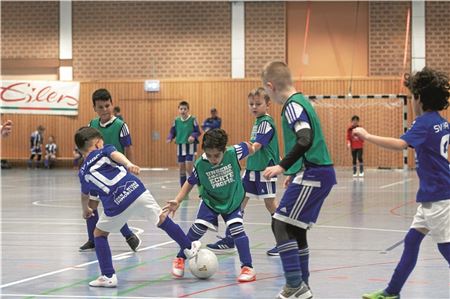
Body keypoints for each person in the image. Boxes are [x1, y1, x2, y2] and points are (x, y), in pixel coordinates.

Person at [356, 67, 450, 299]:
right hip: (432, 197)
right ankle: (391, 292)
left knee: (446, 249)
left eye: (411, 97)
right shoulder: (441, 121)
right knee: (411, 241)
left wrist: (367, 136)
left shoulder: (424, 122)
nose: (411, 102)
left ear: (419, 98)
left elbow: (400, 145)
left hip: (439, 199)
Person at [74, 127, 201, 288]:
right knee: (161, 219)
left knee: (99, 234)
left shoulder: (83, 172)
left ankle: (108, 276)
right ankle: (189, 248)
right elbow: (115, 155)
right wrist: (129, 164)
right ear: (99, 143)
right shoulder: (104, 150)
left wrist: (85, 210)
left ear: (80, 149)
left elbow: (85, 195)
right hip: (135, 190)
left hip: (115, 204)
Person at [261, 61, 337, 299]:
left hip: (314, 173)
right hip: (314, 171)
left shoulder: (292, 106)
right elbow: (306, 143)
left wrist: (282, 166)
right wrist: (294, 171)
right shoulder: (302, 101)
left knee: (280, 224)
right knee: (295, 228)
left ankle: (295, 285)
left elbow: (304, 139)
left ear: (271, 86)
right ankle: (302, 286)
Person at [164, 129, 257, 283]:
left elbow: (250, 147)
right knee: (197, 229)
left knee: (237, 230)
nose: (213, 159)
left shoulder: (234, 152)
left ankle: (247, 267)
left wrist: (254, 149)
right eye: (209, 155)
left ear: (224, 150)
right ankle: (180, 257)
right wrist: (178, 200)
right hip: (211, 201)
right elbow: (190, 182)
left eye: (217, 156)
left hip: (232, 199)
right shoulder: (200, 164)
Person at [207, 87, 280, 256]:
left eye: (258, 103)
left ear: (268, 104)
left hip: (264, 171)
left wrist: (235, 152)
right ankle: (230, 240)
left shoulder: (266, 124)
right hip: (251, 170)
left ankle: (283, 243)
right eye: (251, 104)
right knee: (238, 203)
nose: (254, 107)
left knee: (271, 205)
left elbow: (256, 146)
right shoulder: (257, 122)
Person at [79, 88, 140, 252]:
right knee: (92, 205)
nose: (104, 110)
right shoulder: (91, 125)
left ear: (112, 104)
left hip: (115, 175)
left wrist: (130, 167)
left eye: (107, 106)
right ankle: (92, 239)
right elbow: (88, 149)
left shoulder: (121, 126)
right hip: (96, 174)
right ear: (94, 108)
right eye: (100, 107)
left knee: (112, 207)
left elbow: (128, 147)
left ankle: (129, 235)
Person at [166, 100, 201, 189]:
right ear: (178, 110)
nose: (183, 111)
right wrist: (170, 137)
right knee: (181, 169)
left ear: (188, 110)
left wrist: (193, 136)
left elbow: (198, 131)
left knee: (189, 169)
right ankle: (183, 189)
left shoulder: (193, 119)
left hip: (190, 146)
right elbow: (172, 131)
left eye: (185, 109)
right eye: (181, 109)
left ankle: (200, 185)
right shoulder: (176, 120)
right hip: (180, 146)